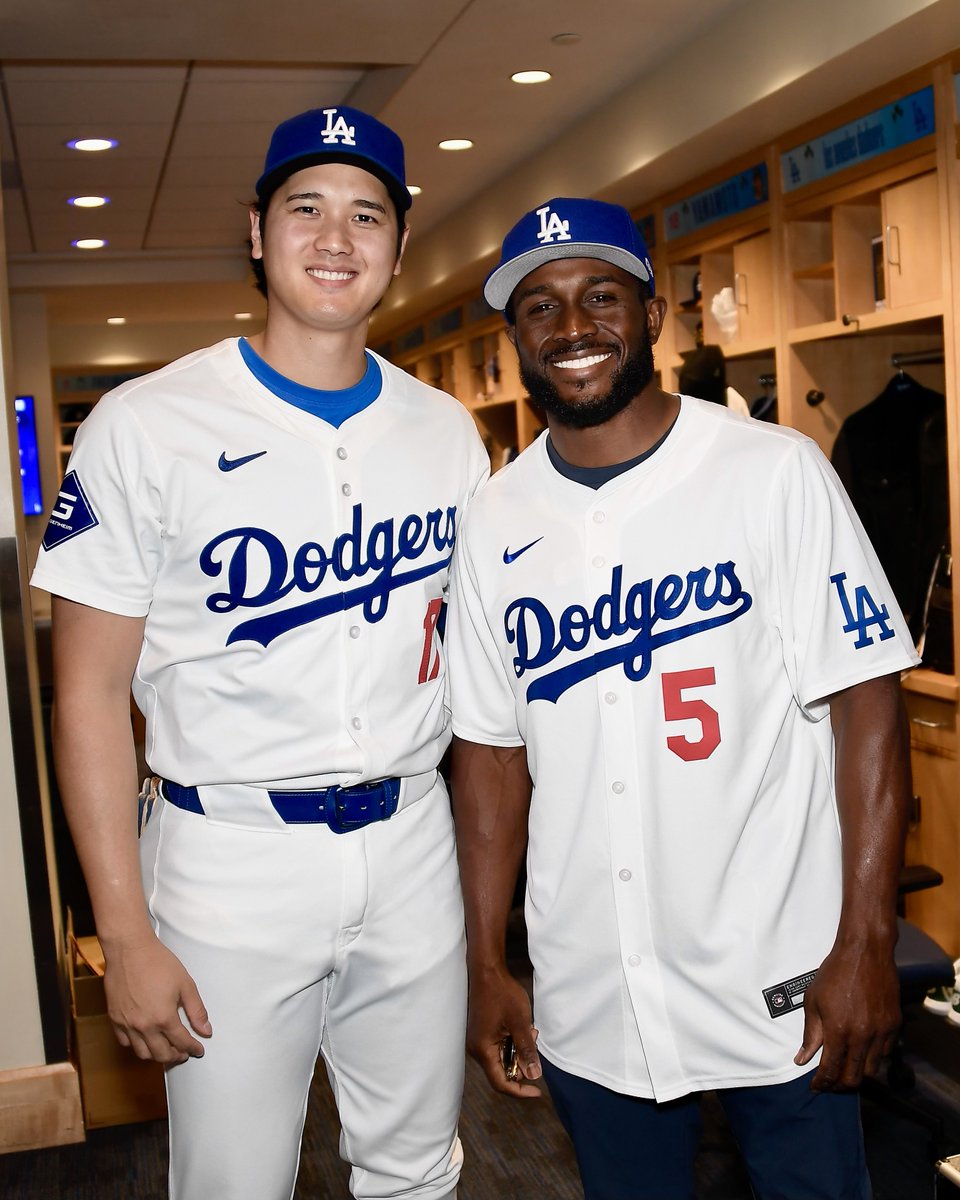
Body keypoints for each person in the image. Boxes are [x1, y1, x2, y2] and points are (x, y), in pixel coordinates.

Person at [31, 106, 489, 1200]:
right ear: (256, 231)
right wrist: (122, 938)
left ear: (397, 245)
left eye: (366, 214)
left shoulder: (446, 433)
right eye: (307, 208)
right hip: (227, 851)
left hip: (409, 839)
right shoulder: (145, 424)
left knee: (419, 1169)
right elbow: (86, 694)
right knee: (232, 1181)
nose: (337, 237)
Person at [446, 196, 917, 1200]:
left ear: (654, 316)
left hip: (785, 979)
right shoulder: (494, 519)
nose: (573, 328)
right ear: (516, 336)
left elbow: (868, 707)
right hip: (590, 990)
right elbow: (489, 753)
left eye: (601, 296)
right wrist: (486, 963)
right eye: (540, 307)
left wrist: (867, 942)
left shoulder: (771, 473)